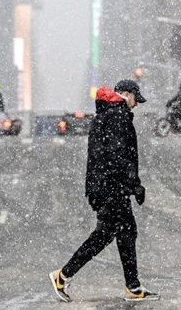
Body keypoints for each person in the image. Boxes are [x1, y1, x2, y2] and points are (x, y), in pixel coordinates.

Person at [49, 79, 159, 302]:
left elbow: (113, 155)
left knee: (122, 232)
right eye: (136, 99)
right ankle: (63, 275)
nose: (136, 104)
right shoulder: (117, 116)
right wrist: (133, 185)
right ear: (126, 94)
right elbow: (118, 156)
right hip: (111, 188)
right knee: (108, 234)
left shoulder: (109, 113)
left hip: (107, 186)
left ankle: (133, 287)